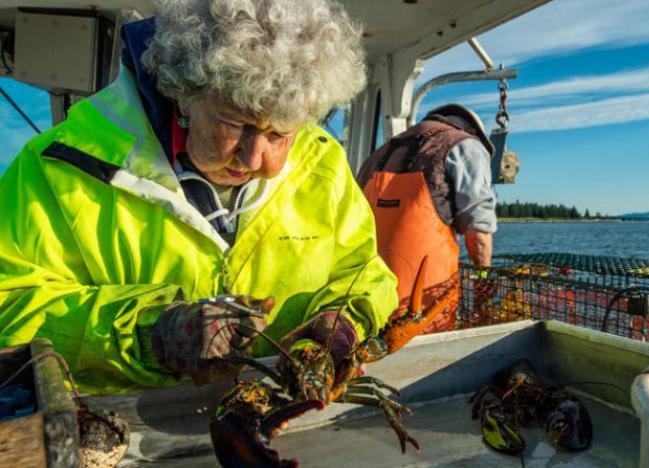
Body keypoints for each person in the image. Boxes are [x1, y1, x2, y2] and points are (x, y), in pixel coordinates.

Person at [0, 0, 397, 394]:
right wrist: (152, 334)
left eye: (281, 134)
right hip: (120, 433)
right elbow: (10, 307)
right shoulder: (58, 167)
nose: (256, 158)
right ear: (183, 93)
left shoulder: (322, 160)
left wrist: (344, 323)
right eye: (234, 122)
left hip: (285, 417)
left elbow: (362, 274)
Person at [356, 104, 496, 334]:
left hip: (366, 309)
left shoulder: (381, 152)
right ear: (471, 130)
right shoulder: (465, 144)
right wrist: (484, 282)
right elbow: (478, 227)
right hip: (424, 315)